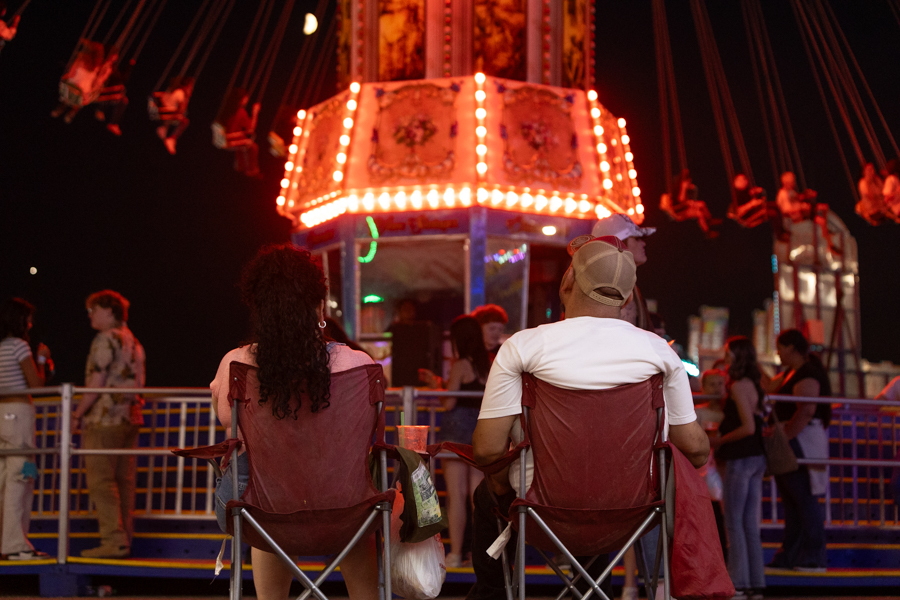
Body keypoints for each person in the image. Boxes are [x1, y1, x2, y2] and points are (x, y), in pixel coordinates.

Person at [468, 234, 709, 600]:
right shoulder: (659, 353)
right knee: (603, 484)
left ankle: (492, 594)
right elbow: (696, 450)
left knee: (487, 495)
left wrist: (501, 483)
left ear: (568, 281)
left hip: (539, 510)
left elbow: (486, 450)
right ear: (627, 299)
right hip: (633, 513)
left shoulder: (522, 347)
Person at [210, 244, 377, 600]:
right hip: (342, 507)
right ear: (319, 306)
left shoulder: (236, 364)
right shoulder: (359, 364)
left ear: (259, 308)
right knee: (359, 505)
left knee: (264, 497)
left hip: (261, 511)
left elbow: (228, 421)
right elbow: (369, 430)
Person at [72, 290, 145, 558]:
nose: (90, 315)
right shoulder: (133, 341)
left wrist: (77, 414)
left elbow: (97, 382)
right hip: (130, 417)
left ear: (109, 311)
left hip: (105, 417)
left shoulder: (105, 339)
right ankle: (124, 539)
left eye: (93, 309)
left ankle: (113, 541)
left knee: (101, 481)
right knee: (123, 481)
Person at [422, 315, 488, 568]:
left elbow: (449, 402)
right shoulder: (488, 365)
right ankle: (479, 554)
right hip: (480, 431)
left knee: (456, 495)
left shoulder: (460, 364)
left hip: (457, 431)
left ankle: (456, 553)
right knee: (477, 496)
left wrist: (436, 386)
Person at [766, 328, 831, 572]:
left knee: (803, 498)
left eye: (780, 348)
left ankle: (812, 556)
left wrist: (785, 437)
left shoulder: (807, 374)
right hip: (796, 438)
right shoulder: (792, 373)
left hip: (801, 441)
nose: (778, 354)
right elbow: (769, 387)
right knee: (794, 500)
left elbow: (806, 410)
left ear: (791, 348)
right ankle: (792, 556)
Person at [710, 337, 766, 600]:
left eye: (728, 355)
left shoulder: (738, 387)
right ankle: (755, 583)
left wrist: (720, 440)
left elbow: (747, 427)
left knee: (733, 522)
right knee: (749, 524)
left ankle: (737, 583)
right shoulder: (754, 384)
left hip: (740, 457)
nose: (725, 359)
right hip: (757, 457)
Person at [0, 298, 52, 560]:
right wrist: (42, 360)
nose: (31, 324)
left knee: (2, 481)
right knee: (23, 477)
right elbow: (36, 386)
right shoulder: (19, 346)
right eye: (28, 319)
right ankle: (15, 545)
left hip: (1, 415)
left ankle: (5, 542)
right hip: (19, 417)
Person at [696, 368, 727, 564]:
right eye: (712, 384)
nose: (716, 388)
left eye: (720, 384)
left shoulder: (731, 412)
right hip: (707, 468)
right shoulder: (699, 412)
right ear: (703, 388)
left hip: (724, 466)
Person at [51, 40, 105, 123]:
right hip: (82, 85)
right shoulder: (93, 66)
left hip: (81, 84)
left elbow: (69, 75)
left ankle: (65, 110)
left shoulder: (84, 64)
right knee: (78, 99)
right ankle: (69, 111)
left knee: (77, 98)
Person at [215, 88, 261, 177]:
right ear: (242, 99)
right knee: (251, 145)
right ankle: (251, 169)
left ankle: (241, 166)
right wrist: (255, 113)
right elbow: (251, 129)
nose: (247, 100)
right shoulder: (240, 112)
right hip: (227, 140)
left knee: (244, 144)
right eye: (246, 98)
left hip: (221, 139)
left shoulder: (226, 109)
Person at [151, 77, 194, 154]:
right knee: (184, 121)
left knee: (180, 117)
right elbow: (180, 110)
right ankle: (170, 136)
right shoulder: (180, 93)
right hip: (164, 111)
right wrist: (186, 99)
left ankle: (165, 129)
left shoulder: (180, 93)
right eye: (190, 87)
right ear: (186, 86)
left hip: (167, 112)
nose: (191, 90)